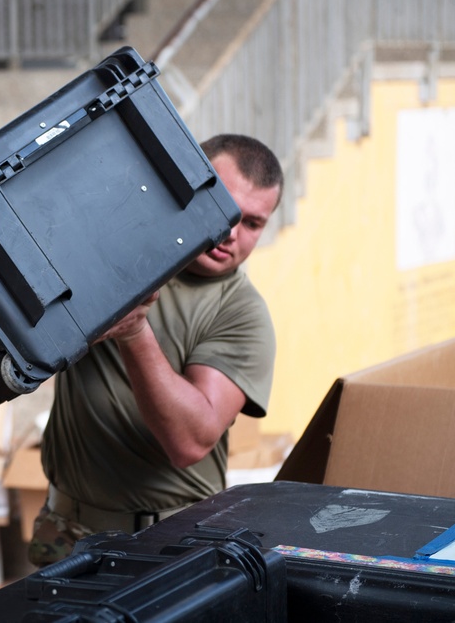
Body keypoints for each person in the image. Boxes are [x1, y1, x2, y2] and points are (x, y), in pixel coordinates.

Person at [28, 133, 283, 567]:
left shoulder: (242, 314)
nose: (232, 233)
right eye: (225, 206)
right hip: (64, 529)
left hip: (165, 546)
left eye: (253, 224)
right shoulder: (111, 249)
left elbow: (190, 441)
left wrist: (133, 332)